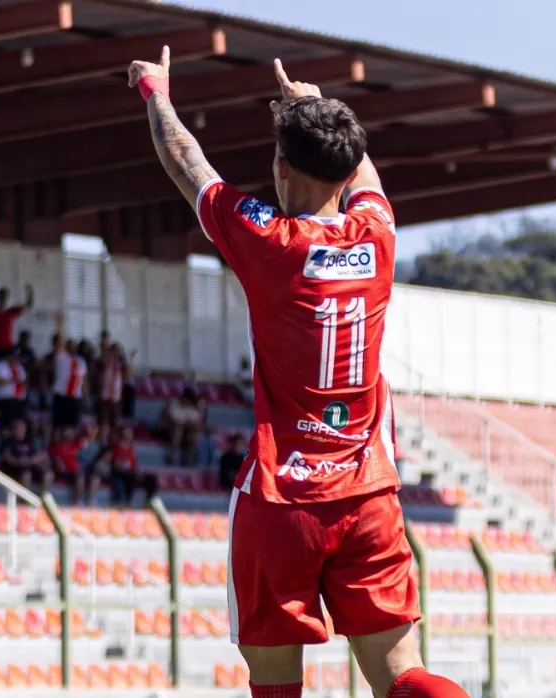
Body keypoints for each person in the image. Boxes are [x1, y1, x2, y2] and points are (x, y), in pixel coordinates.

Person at [128, 50, 466, 698]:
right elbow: (361, 170)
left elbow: (187, 163)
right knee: (402, 675)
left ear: (281, 165)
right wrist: (311, 105)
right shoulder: (378, 233)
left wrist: (155, 92)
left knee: (276, 686)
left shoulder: (268, 240)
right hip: (368, 495)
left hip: (281, 498)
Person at [93, 425, 156, 506]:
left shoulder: (131, 448)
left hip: (131, 472)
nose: (128, 436)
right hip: (118, 473)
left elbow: (134, 464)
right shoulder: (114, 447)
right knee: (130, 478)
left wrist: (138, 471)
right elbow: (106, 462)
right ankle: (125, 503)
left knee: (151, 479)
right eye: (126, 434)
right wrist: (116, 464)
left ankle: (148, 502)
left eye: (130, 434)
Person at [50, 313, 87, 440]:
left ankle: (69, 447)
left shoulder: (81, 362)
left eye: (74, 345)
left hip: (75, 397)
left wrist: (85, 396)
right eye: (70, 345)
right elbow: (59, 342)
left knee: (72, 426)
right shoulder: (62, 357)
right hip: (62, 396)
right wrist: (59, 325)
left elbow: (83, 380)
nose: (72, 347)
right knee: (59, 425)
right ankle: (57, 446)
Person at [0, 419, 52, 493]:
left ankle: (41, 496)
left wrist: (33, 460)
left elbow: (39, 454)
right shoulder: (7, 441)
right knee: (26, 474)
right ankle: (26, 497)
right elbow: (7, 457)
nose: (21, 430)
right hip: (14, 468)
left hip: (30, 466)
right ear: (13, 430)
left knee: (49, 474)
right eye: (18, 428)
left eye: (22, 428)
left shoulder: (29, 441)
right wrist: (20, 462)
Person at [158, 387, 204, 466]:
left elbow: (195, 421)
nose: (188, 403)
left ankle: (189, 459)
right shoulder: (173, 403)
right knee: (178, 429)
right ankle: (171, 455)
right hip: (166, 430)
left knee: (194, 433)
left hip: (184, 432)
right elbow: (171, 419)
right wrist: (183, 423)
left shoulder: (190, 408)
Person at [48, 426, 86, 505]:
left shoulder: (75, 444)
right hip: (61, 472)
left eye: (71, 433)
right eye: (67, 433)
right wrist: (58, 462)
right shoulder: (57, 446)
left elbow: (84, 438)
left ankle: (76, 502)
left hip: (73, 472)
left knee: (80, 477)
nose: (69, 435)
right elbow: (53, 457)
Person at [0, 352, 28, 428]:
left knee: (19, 420)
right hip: (5, 399)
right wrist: (13, 381)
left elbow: (24, 380)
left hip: (19, 399)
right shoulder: (0, 366)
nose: (16, 359)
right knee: (6, 422)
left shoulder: (19, 366)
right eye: (14, 357)